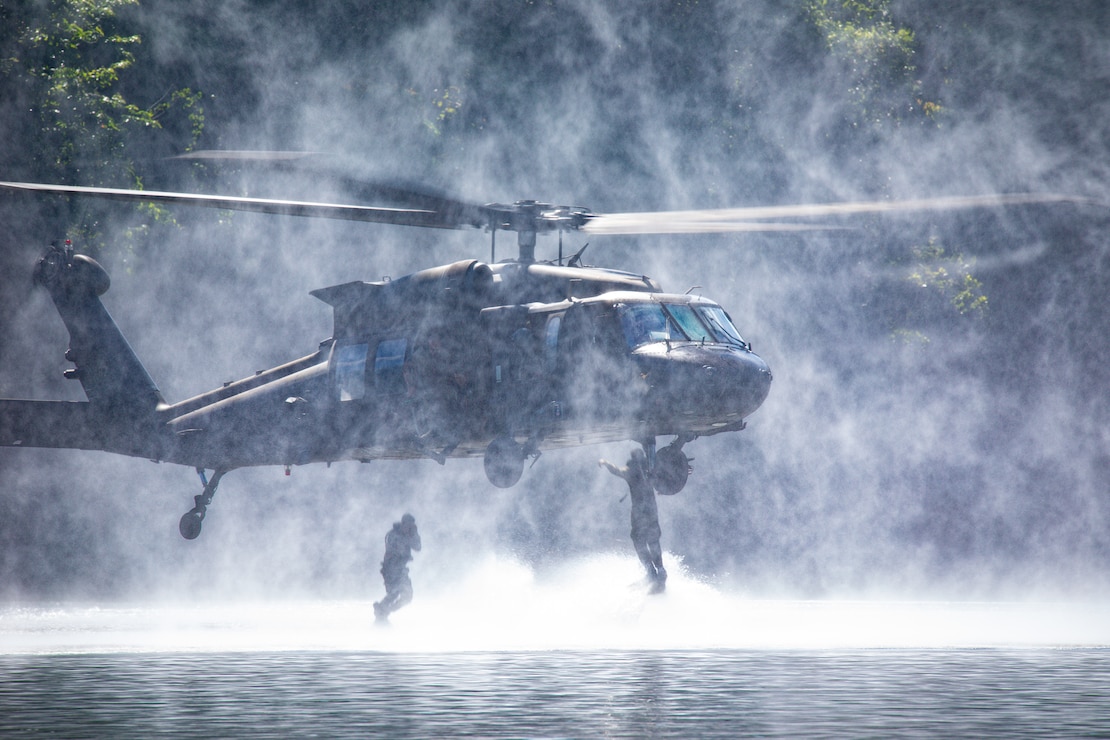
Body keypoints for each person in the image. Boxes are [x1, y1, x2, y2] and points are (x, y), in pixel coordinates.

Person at [600, 450, 667, 593]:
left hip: (639, 513)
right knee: (653, 540)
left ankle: (651, 571)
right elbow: (667, 479)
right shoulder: (651, 470)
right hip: (652, 511)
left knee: (639, 540)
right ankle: (660, 570)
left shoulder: (631, 470)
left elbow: (617, 470)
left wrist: (605, 463)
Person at [373, 513, 422, 622]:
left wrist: (414, 534)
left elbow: (418, 547)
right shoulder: (393, 535)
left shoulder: (409, 534)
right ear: (403, 524)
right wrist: (408, 536)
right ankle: (382, 613)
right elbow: (397, 550)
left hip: (401, 570)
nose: (408, 528)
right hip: (390, 569)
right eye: (407, 525)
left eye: (411, 526)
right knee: (394, 593)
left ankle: (383, 611)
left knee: (407, 596)